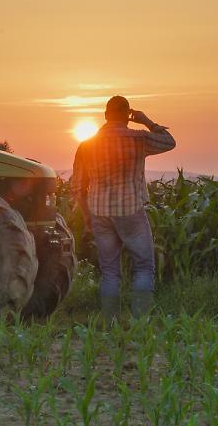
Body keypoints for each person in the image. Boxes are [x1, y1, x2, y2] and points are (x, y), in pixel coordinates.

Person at [71, 95, 176, 318]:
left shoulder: (87, 145)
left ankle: (110, 323)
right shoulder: (138, 139)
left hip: (100, 213)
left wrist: (88, 217)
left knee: (109, 272)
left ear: (106, 115)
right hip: (131, 213)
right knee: (144, 267)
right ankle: (140, 322)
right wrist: (147, 121)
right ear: (128, 115)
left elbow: (77, 188)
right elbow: (169, 141)